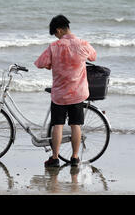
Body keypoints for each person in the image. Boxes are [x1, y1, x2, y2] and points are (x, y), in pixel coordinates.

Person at [34, 15, 96, 168]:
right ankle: (75, 158)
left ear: (59, 30)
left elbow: (40, 63)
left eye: (55, 34)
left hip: (60, 95)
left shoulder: (54, 47)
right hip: (77, 93)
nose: (56, 36)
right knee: (76, 125)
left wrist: (51, 64)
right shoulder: (82, 44)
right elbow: (93, 57)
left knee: (58, 126)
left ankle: (55, 158)